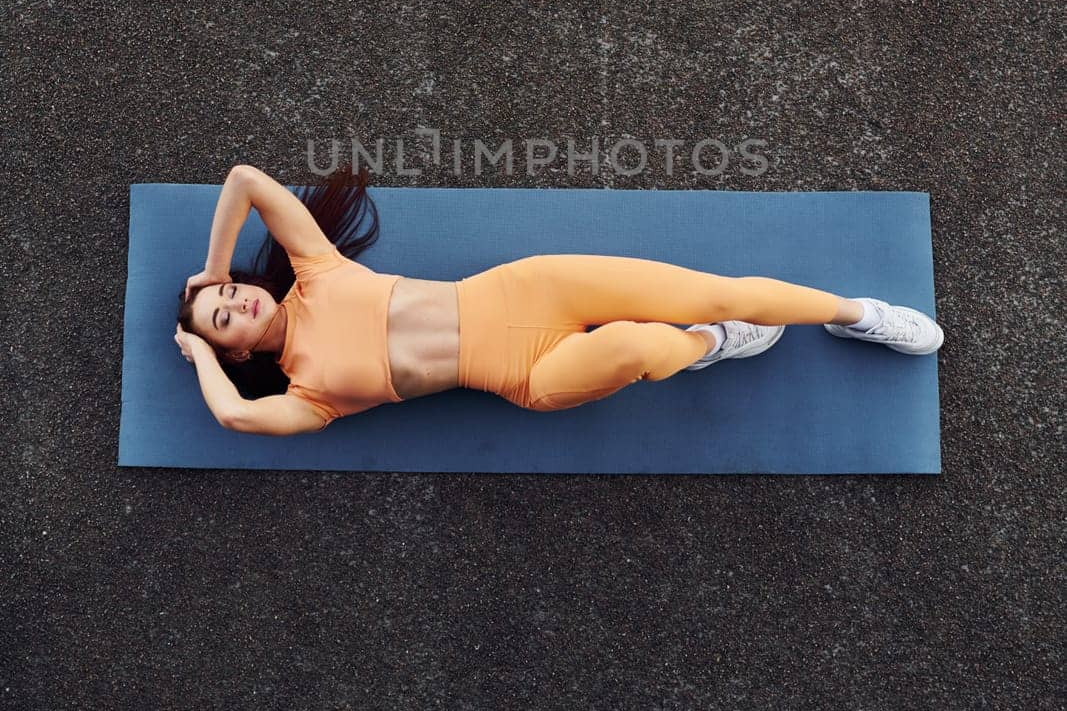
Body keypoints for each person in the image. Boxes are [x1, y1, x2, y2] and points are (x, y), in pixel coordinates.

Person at [174, 163, 944, 435]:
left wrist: (211, 270)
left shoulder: (316, 270)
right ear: (236, 350)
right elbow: (237, 415)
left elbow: (245, 179)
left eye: (232, 294)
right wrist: (194, 349)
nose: (236, 302)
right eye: (224, 319)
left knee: (718, 288)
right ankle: (713, 344)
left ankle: (855, 315)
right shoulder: (309, 395)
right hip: (526, 373)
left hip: (529, 286)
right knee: (642, 346)